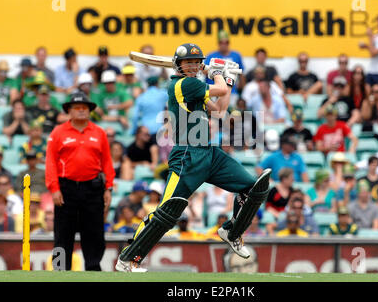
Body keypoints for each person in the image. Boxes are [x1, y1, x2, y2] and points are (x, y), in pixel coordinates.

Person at [116, 43, 272, 272]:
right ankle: (128, 258)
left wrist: (227, 80)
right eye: (187, 62)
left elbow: (219, 110)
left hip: (208, 152)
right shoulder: (182, 84)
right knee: (167, 211)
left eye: (196, 62)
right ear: (179, 65)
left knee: (254, 188)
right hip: (187, 155)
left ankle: (232, 231)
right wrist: (220, 74)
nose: (192, 66)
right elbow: (217, 90)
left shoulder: (196, 88)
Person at [45, 92, 115, 271]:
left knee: (94, 232)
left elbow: (107, 162)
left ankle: (93, 268)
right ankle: (60, 270)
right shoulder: (58, 132)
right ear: (69, 110)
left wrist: (109, 188)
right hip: (66, 188)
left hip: (93, 188)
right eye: (77, 107)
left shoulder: (99, 133)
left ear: (90, 111)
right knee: (62, 233)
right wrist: (54, 188)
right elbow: (50, 162)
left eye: (85, 107)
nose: (82, 110)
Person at [204, 30, 246, 96]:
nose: (224, 45)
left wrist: (243, 92)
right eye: (221, 42)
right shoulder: (211, 56)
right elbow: (204, 71)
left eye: (226, 42)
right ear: (218, 43)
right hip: (213, 92)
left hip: (232, 92)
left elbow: (241, 74)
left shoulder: (236, 56)